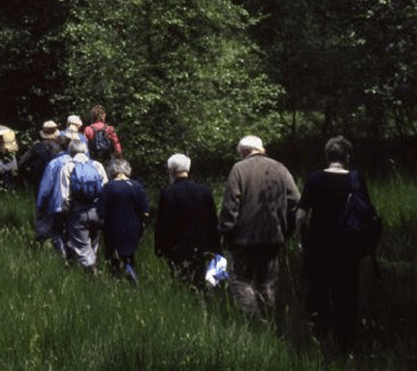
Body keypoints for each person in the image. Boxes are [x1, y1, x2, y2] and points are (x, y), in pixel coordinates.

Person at [295, 135, 374, 356]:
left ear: (327, 156)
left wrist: (303, 241)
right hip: (348, 249)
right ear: (347, 156)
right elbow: (367, 213)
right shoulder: (356, 180)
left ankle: (321, 341)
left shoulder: (314, 179)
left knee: (318, 294)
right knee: (347, 296)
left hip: (318, 247)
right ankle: (345, 346)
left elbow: (300, 215)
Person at [219, 135, 300, 318]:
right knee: (267, 283)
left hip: (243, 240)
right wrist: (286, 230)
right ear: (261, 149)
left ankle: (252, 322)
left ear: (243, 152)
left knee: (241, 280)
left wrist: (226, 232)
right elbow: (296, 201)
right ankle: (268, 320)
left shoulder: (238, 169)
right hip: (272, 237)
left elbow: (231, 206)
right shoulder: (280, 168)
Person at [155, 154, 221, 289]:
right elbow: (212, 220)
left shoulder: (168, 193)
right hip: (203, 245)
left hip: (178, 247)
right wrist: (216, 245)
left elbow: (163, 224)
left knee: (182, 282)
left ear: (171, 170)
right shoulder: (204, 190)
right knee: (203, 282)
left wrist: (160, 247)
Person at [97, 158, 149, 286]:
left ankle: (117, 282)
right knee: (129, 256)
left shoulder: (108, 187)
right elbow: (146, 212)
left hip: (113, 227)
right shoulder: (137, 186)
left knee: (113, 258)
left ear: (112, 171)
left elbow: (100, 211)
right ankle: (131, 275)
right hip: (133, 228)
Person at [59, 138, 109, 271]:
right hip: (98, 211)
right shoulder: (97, 165)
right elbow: (105, 189)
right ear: (85, 150)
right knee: (94, 243)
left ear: (70, 151)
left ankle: (92, 273)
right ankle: (95, 267)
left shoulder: (68, 167)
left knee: (81, 246)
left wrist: (67, 211)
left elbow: (65, 195)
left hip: (78, 211)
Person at [34, 134, 72, 258]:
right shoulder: (74, 161)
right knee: (68, 232)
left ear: (57, 145)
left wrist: (39, 205)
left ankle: (63, 257)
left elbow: (45, 187)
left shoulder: (53, 164)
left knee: (56, 232)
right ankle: (72, 257)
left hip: (56, 204)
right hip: (72, 204)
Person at [18, 120, 60, 191]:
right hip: (56, 178)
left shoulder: (36, 146)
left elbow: (22, 162)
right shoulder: (60, 147)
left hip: (40, 177)